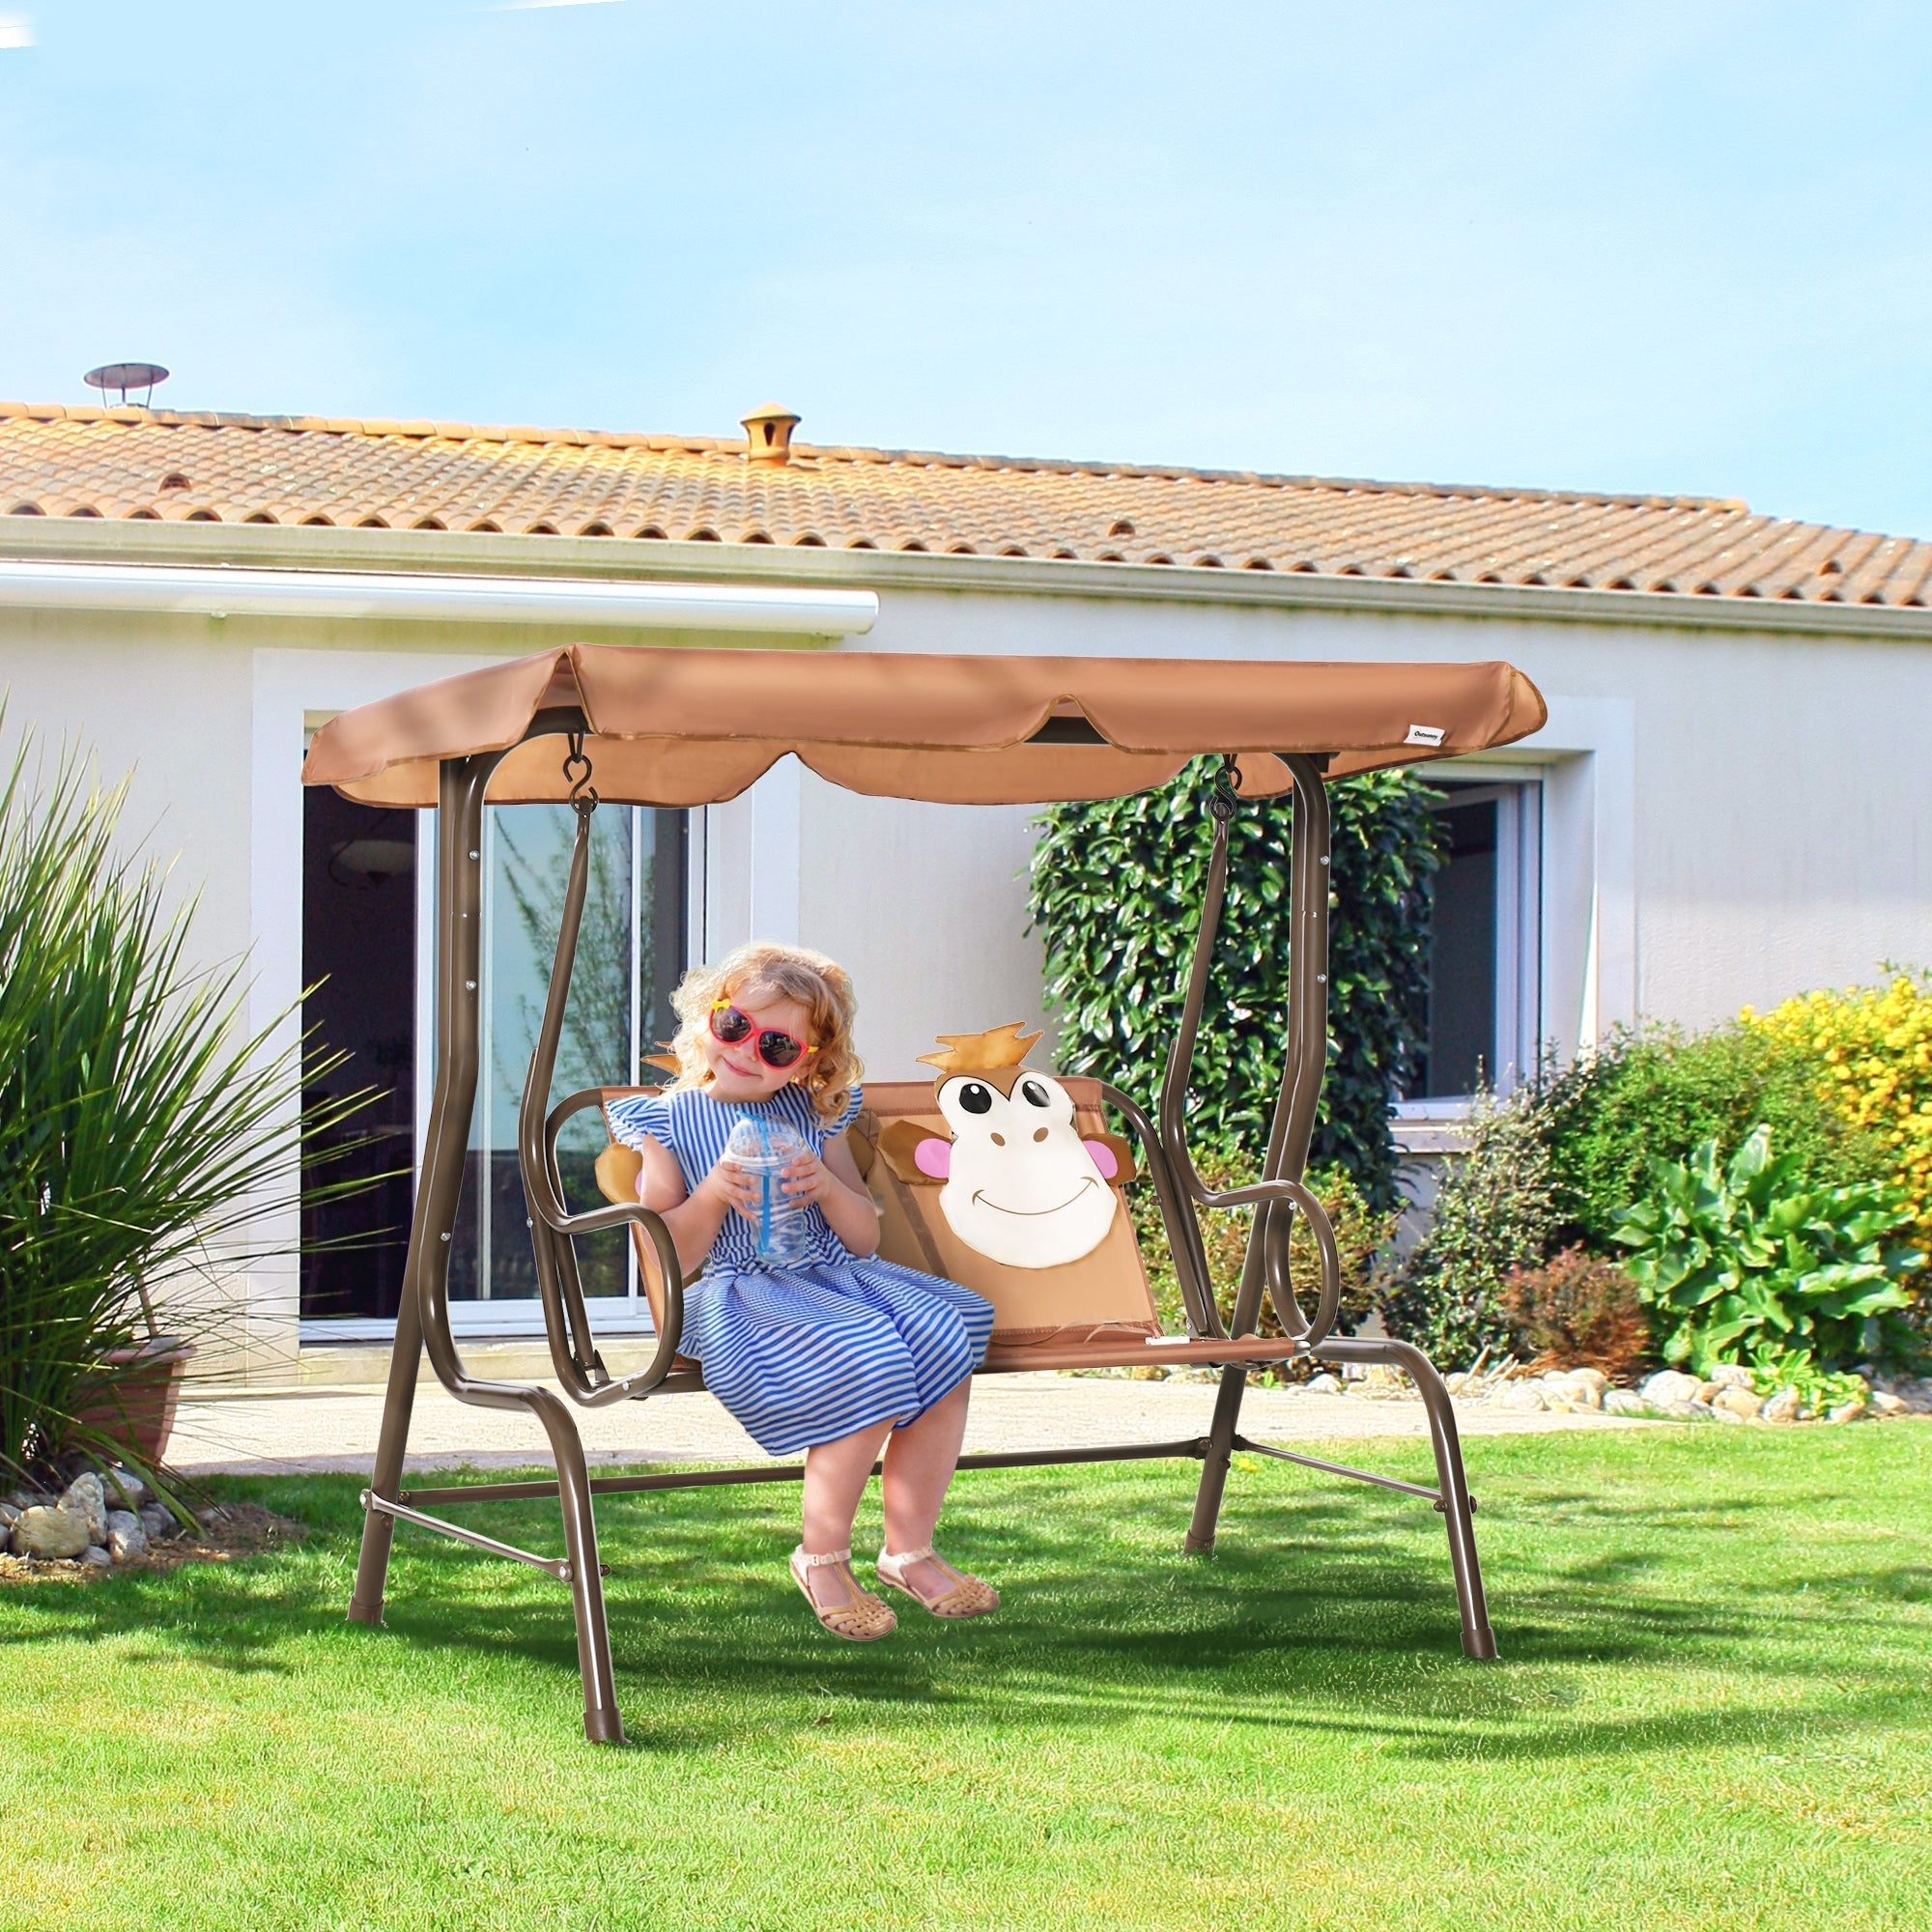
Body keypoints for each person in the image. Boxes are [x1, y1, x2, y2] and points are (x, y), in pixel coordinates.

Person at [607, 941, 997, 1642]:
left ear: (813, 1062)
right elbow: (668, 1256)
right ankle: (820, 1556)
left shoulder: (815, 1117)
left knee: (949, 1327)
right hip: (739, 1292)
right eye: (735, 1027)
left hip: (833, 1277)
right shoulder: (664, 1121)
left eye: (779, 1045)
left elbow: (862, 1240)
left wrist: (826, 1185)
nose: (748, 1051)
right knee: (869, 1355)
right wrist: (714, 1196)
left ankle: (908, 1549)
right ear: (708, 1020)